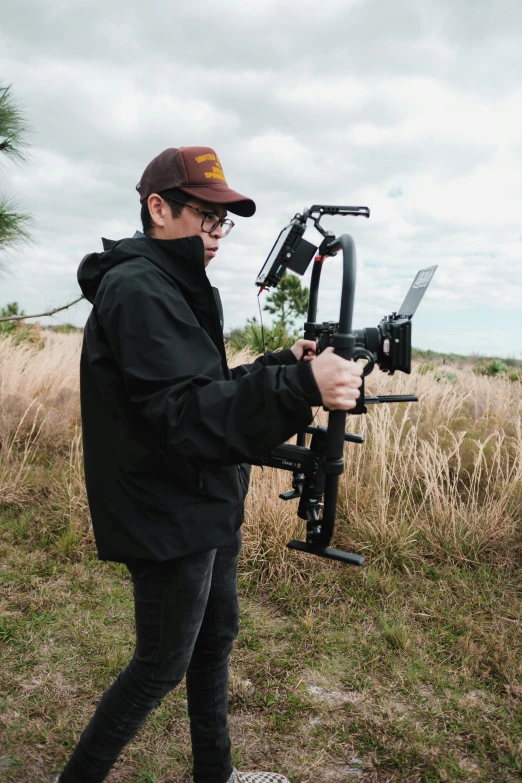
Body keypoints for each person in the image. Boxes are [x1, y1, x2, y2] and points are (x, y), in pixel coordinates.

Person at [54, 146, 363, 783]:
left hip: (200, 500)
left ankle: (214, 776)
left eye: (225, 220)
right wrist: (304, 388)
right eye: (206, 215)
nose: (217, 232)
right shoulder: (139, 288)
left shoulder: (175, 285)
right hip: (166, 510)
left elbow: (206, 385)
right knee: (159, 666)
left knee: (213, 643)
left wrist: (285, 365)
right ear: (158, 208)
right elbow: (186, 413)